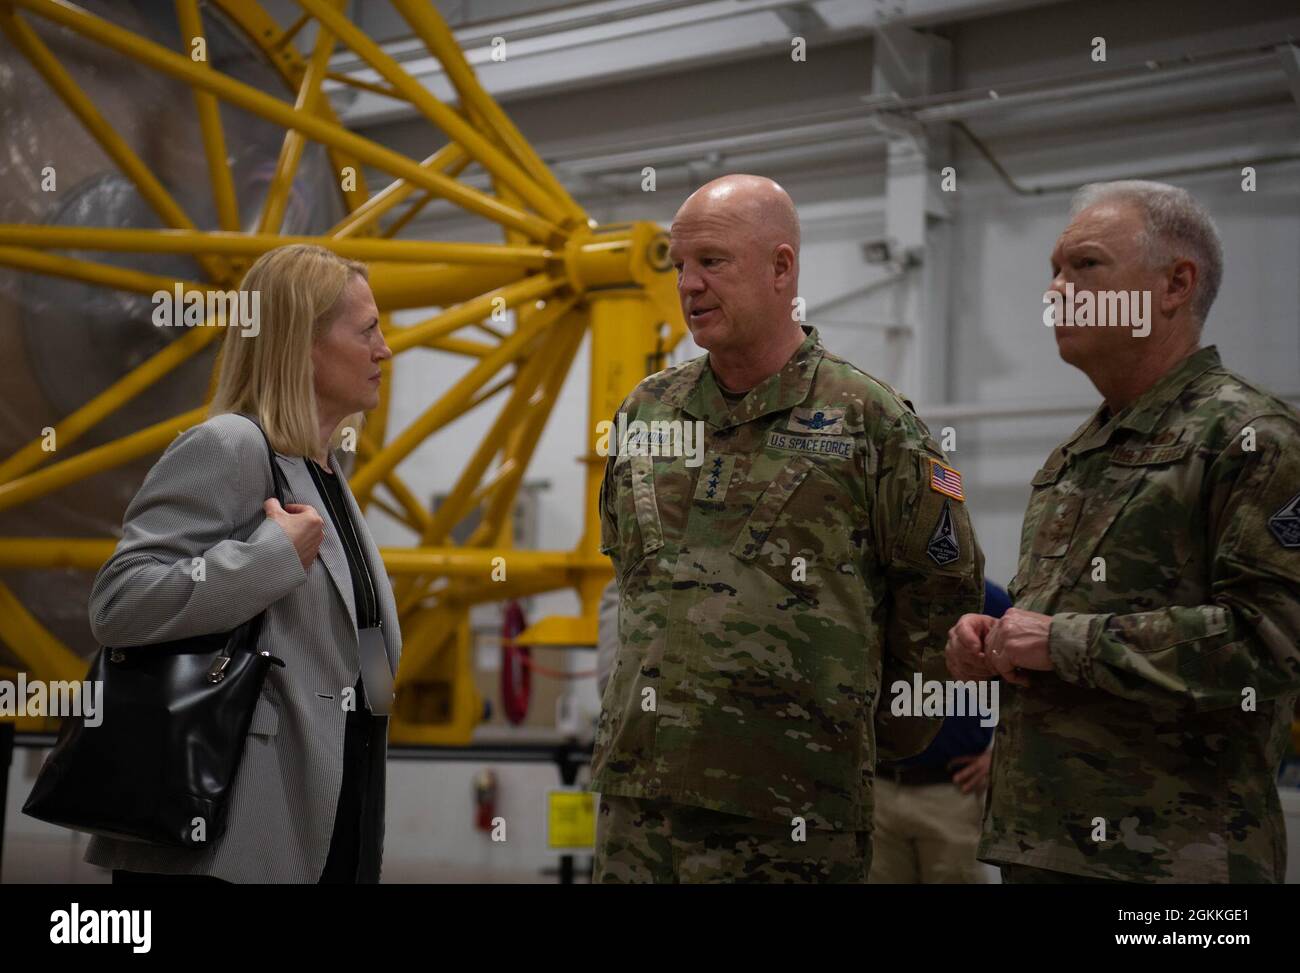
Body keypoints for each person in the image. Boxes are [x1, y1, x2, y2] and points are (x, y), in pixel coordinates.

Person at [592, 174, 984, 883]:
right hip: (640, 805)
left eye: (711, 261)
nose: (689, 284)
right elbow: (628, 578)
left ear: (781, 268)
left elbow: (940, 598)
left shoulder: (873, 422)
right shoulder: (645, 414)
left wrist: (863, 743)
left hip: (794, 809)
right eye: (679, 265)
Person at [947, 180, 1300, 884]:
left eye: (1085, 266)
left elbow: (1274, 643)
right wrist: (994, 642)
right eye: (1053, 269)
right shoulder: (1076, 456)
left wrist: (1060, 642)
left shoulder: (1250, 438)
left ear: (1175, 284)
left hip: (1173, 864)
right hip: (1045, 848)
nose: (1055, 290)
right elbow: (1052, 632)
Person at [85, 244, 401, 883]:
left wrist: (375, 695)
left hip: (341, 788)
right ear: (302, 343)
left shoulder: (326, 473)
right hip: (234, 821)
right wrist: (270, 559)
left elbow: (353, 638)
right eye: (367, 330)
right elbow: (119, 601)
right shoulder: (231, 447)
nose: (384, 350)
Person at [869, 579, 1008, 883]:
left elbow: (1027, 687)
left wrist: (999, 756)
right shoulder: (877, 592)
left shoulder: (989, 600)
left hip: (951, 792)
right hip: (877, 790)